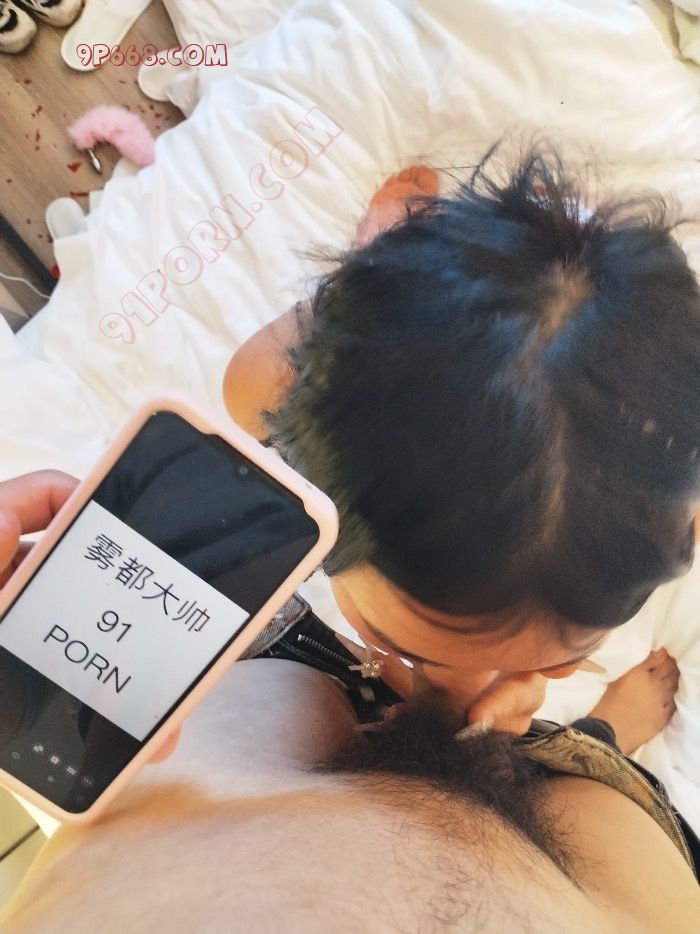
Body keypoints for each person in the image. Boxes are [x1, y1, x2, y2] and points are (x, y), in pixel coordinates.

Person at [0, 473, 699, 931]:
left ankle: (453, 718)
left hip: (230, 727)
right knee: (567, 783)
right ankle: (594, 735)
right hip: (599, 865)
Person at [223, 149, 699, 739]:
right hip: (372, 337)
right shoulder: (277, 385)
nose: (472, 688)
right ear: (314, 495)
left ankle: (410, 258)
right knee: (316, 346)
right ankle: (379, 257)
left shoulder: (661, 483)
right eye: (402, 647)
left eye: (560, 663)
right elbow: (257, 397)